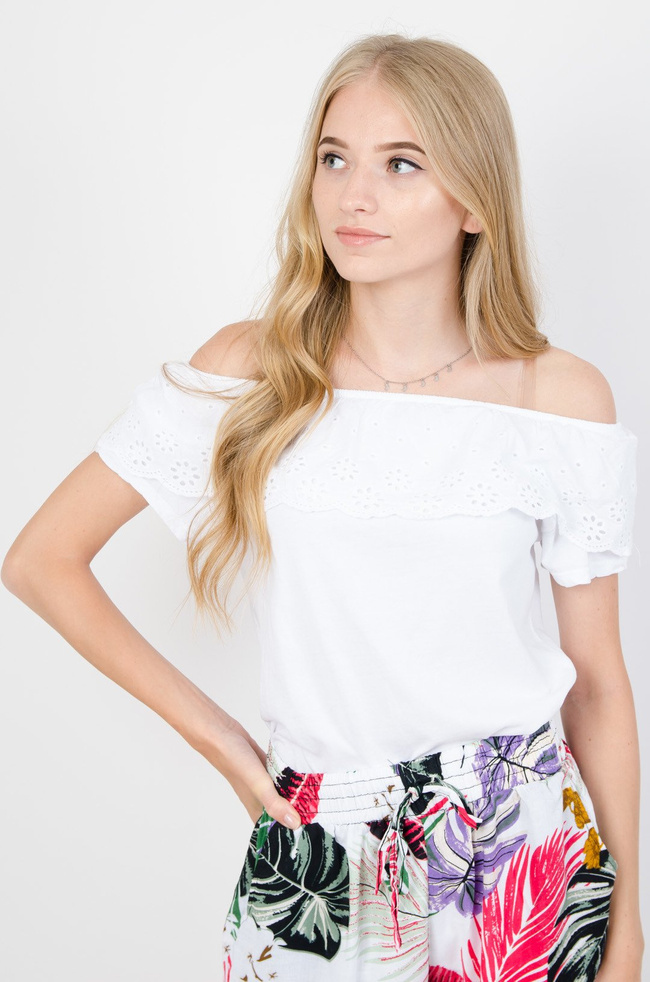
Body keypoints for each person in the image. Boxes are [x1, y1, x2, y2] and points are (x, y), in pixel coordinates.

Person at [2, 31, 643, 982]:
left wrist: (628, 919)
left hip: (522, 847)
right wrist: (225, 744)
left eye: (401, 164)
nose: (353, 195)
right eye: (334, 158)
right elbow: (41, 561)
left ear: (475, 201)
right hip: (318, 845)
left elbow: (597, 681)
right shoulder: (248, 370)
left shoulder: (559, 398)